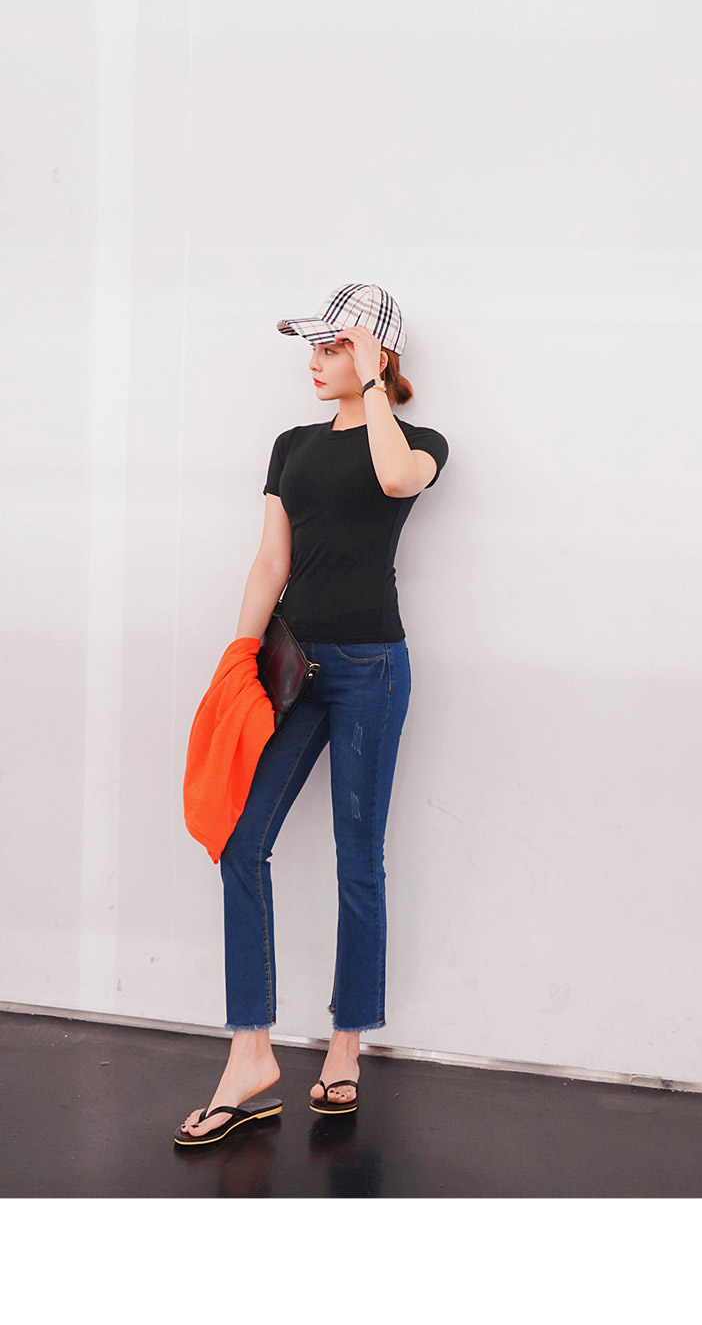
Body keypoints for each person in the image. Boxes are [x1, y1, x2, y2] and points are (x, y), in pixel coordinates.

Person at [178, 283, 449, 1137]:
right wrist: (237, 661)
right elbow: (271, 562)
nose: (314, 361)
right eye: (315, 347)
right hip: (293, 668)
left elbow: (395, 478)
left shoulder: (419, 441)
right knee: (241, 840)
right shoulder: (291, 445)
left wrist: (371, 383)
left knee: (356, 859)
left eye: (332, 347)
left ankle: (344, 1047)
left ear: (374, 355)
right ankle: (251, 1054)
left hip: (373, 670)